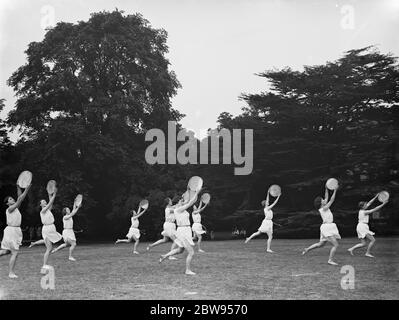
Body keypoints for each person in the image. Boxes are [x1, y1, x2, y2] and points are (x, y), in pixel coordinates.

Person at [159, 189, 200, 275]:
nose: (183, 201)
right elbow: (190, 203)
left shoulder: (179, 208)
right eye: (181, 201)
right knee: (191, 252)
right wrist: (196, 192)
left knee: (180, 250)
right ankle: (187, 270)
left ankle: (165, 255)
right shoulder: (178, 209)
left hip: (185, 230)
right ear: (179, 202)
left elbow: (191, 201)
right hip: (183, 231)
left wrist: (193, 195)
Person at [302, 187, 340, 265]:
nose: (324, 200)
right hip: (327, 228)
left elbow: (327, 197)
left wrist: (326, 188)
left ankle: (307, 249)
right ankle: (330, 260)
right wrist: (335, 190)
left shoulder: (323, 206)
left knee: (320, 244)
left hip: (327, 227)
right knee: (335, 245)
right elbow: (331, 200)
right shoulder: (324, 208)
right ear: (321, 203)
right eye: (323, 200)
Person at [0, 183, 31, 278]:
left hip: (16, 231)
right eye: (10, 199)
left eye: (11, 198)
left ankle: (11, 272)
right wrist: (27, 189)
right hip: (11, 231)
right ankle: (11, 273)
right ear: (7, 203)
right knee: (15, 253)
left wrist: (18, 187)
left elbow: (19, 197)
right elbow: (20, 198)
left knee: (7, 252)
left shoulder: (16, 208)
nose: (12, 199)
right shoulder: (10, 209)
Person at [40, 188, 63, 270]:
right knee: (49, 248)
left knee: (49, 248)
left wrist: (50, 194)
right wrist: (54, 194)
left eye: (45, 201)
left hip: (51, 228)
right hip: (47, 229)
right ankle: (44, 264)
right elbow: (50, 203)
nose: (45, 202)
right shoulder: (43, 210)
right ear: (41, 205)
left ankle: (45, 264)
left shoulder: (47, 210)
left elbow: (51, 202)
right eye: (43, 202)